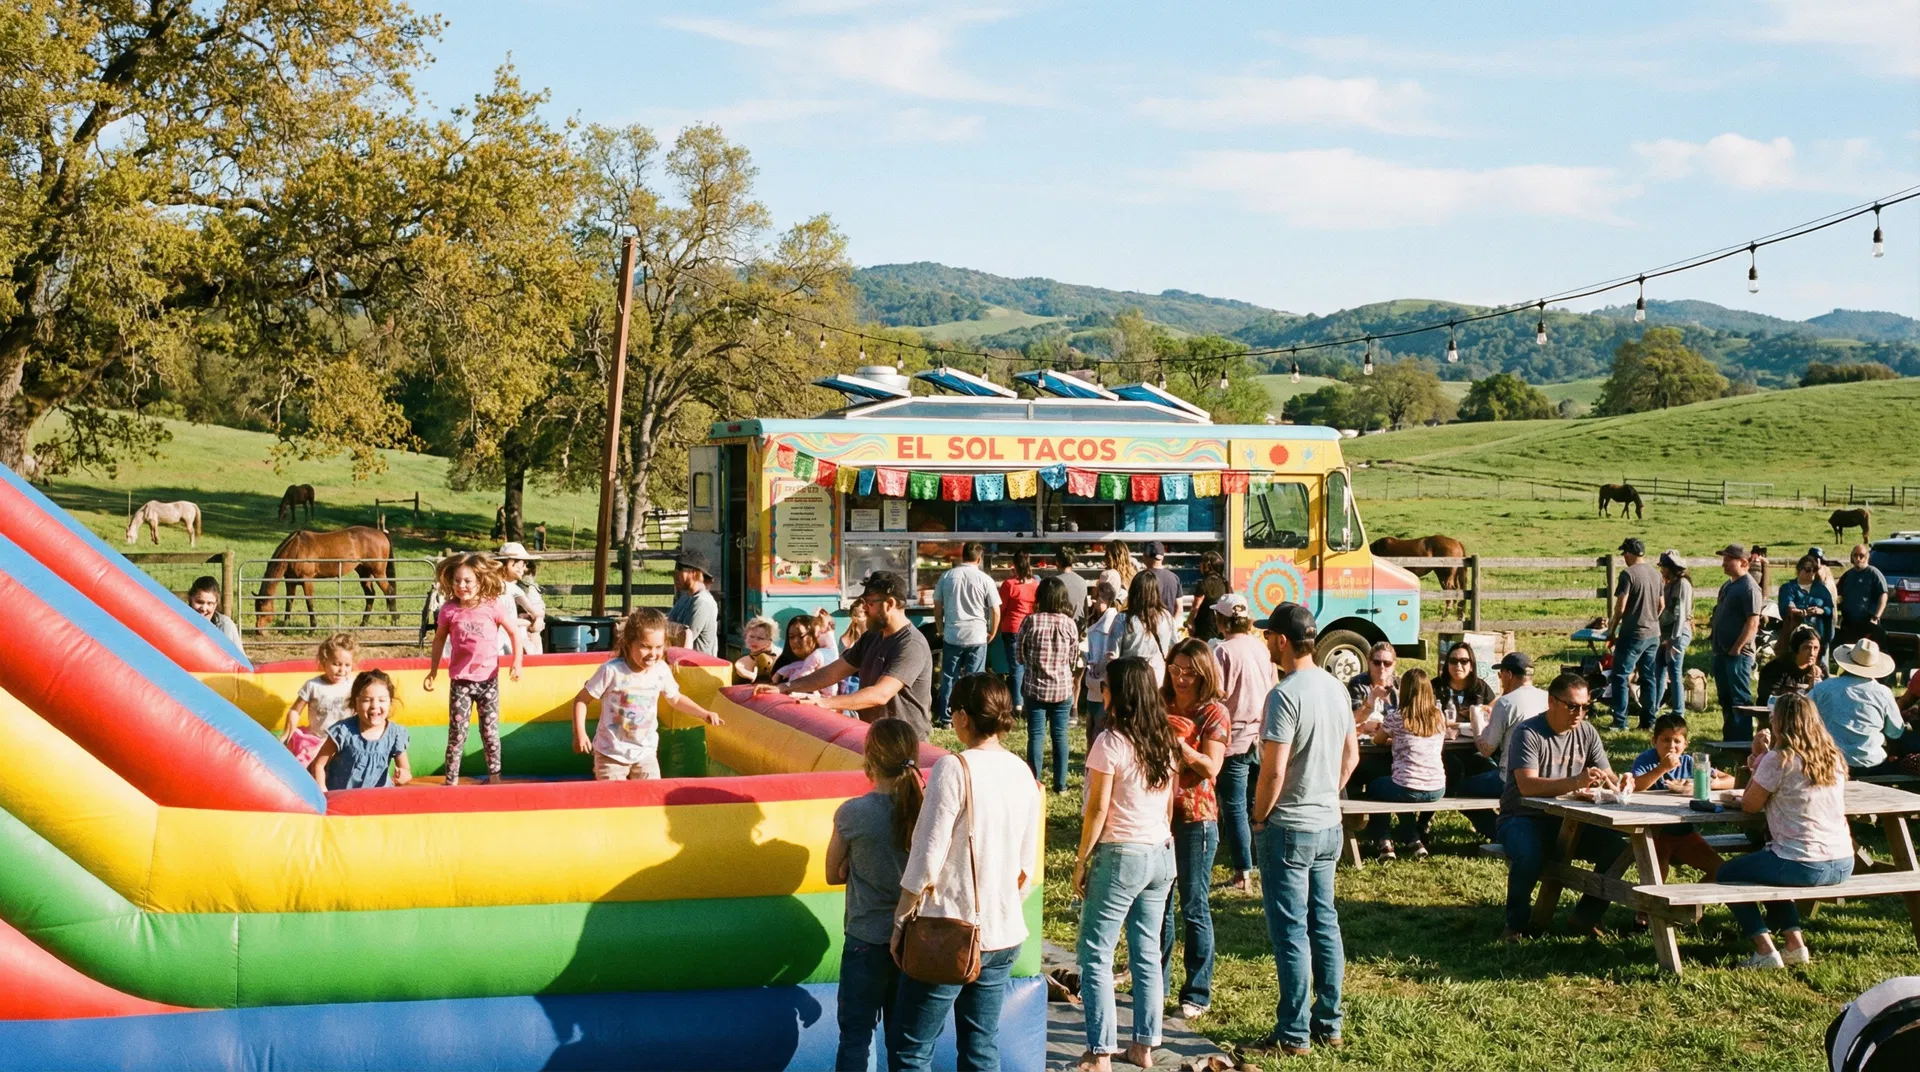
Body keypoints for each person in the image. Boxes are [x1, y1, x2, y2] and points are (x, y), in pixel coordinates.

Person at [892, 674, 1041, 1071]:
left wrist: (902, 917)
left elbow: (927, 853)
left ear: (961, 716)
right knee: (980, 1046)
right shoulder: (1022, 770)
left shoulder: (953, 768)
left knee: (911, 1047)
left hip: (949, 928)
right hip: (1003, 930)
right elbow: (1028, 864)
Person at [1245, 603, 1357, 1058]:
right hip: (1328, 823)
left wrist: (1257, 817)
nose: (1266, 643)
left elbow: (1271, 772)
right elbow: (1350, 757)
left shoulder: (1285, 694)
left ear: (1283, 641)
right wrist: (1326, 792)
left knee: (1291, 931)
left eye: (1269, 635)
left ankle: (1293, 1034)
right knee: (1324, 924)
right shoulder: (1337, 688)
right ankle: (1329, 1023)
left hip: (1288, 825)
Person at [1073, 658, 1180, 1071]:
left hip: (1121, 853)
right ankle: (1144, 1046)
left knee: (1096, 954)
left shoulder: (1110, 741)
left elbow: (1097, 809)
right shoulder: (1164, 738)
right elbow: (1169, 802)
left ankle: (1100, 1052)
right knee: (1146, 952)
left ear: (1118, 693)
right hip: (1160, 852)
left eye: (1106, 687)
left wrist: (1081, 860)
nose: (1101, 693)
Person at [1719, 693, 1856, 969]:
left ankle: (1764, 949)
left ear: (1782, 722)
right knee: (1770, 870)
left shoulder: (1779, 759)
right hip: (1843, 861)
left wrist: (1759, 757)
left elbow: (1749, 804)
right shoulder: (1833, 758)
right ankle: (1795, 945)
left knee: (1726, 874)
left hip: (1802, 861)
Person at [1495, 672, 1625, 941]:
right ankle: (1515, 924)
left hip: (1569, 820)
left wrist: (1622, 781)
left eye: (1586, 707)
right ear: (1552, 702)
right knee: (1529, 855)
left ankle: (1585, 916)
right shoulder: (1528, 732)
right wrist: (1575, 782)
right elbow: (1527, 786)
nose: (1580, 713)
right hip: (1522, 816)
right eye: (1573, 706)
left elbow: (1609, 775)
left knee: (1618, 850)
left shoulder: (1587, 732)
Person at [827, 719, 919, 1071]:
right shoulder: (922, 810)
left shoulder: (853, 813)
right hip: (912, 940)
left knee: (855, 1037)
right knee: (905, 1042)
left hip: (865, 939)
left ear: (869, 759)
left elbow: (831, 873)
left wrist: (853, 863)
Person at [763, 571, 935, 739]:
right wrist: (786, 687)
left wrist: (825, 703)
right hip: (876, 737)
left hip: (905, 742)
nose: (864, 608)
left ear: (889, 604)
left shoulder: (911, 645)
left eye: (869, 603)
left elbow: (880, 694)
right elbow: (831, 673)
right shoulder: (872, 637)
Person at [1160, 639, 1229, 1020]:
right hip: (1157, 816)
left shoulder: (1214, 713)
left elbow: (1211, 767)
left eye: (1189, 672)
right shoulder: (1160, 703)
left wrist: (1179, 746)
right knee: (1158, 904)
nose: (1181, 678)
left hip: (1196, 819)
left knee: (1194, 904)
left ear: (1204, 674)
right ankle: (1157, 981)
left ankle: (1197, 992)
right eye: (1175, 669)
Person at [572, 607, 723, 780]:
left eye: (659, 647)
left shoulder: (660, 670)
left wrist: (703, 713)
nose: (653, 654)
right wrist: (580, 734)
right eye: (645, 647)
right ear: (629, 643)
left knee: (650, 798)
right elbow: (581, 700)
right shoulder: (612, 671)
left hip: (645, 753)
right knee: (613, 801)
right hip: (611, 753)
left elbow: (676, 698)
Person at [423, 552, 522, 786]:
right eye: (457, 581)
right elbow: (438, 640)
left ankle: (495, 777)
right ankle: (451, 780)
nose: (461, 586)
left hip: (488, 681)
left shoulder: (492, 606)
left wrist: (517, 662)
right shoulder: (449, 610)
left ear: (480, 580)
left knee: (489, 732)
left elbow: (514, 632)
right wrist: (433, 670)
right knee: (457, 733)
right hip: (461, 681)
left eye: (467, 581)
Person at [1211, 593, 1274, 892]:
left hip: (1234, 738)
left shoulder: (1222, 651)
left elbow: (1216, 693)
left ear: (1222, 621)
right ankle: (1260, 862)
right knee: (1255, 803)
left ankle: (1242, 872)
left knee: (1234, 806)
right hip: (1261, 737)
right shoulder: (1262, 649)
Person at [1627, 714, 1737, 882]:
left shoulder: (1690, 762)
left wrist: (1703, 783)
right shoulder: (1647, 760)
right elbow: (1635, 786)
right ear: (1653, 741)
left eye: (1677, 741)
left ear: (1686, 744)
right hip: (1654, 833)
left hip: (1684, 833)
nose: (1671, 746)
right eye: (1665, 740)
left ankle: (1689, 906)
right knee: (1656, 875)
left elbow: (1731, 780)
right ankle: (1651, 908)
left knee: (1721, 870)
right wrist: (1662, 769)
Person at [1363, 668, 1449, 861]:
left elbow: (1377, 740)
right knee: (1402, 789)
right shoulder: (1439, 716)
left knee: (1376, 788)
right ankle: (1414, 840)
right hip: (1437, 787)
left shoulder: (1398, 717)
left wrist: (1393, 740)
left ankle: (1384, 841)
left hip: (1408, 786)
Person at [1462, 652, 1548, 838]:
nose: (1500, 679)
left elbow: (1486, 749)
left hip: (1509, 780)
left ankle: (1496, 830)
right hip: (1546, 776)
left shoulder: (1506, 702)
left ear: (1509, 674)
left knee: (1458, 788)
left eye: (1500, 675)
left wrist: (1476, 721)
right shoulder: (1548, 698)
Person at [1809, 638, 1905, 778]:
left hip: (1829, 760)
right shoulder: (1883, 692)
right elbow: (1895, 731)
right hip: (1871, 762)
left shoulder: (1823, 688)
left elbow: (1801, 715)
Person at [1019, 575, 1079, 792]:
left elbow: (1020, 655)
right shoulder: (1069, 624)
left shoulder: (1030, 621)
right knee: (1060, 735)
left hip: (1035, 687)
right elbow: (1073, 659)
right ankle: (1060, 784)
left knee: (1036, 735)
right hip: (1062, 688)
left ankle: (1034, 781)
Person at [933, 541, 1000, 730]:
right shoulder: (985, 579)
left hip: (953, 634)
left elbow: (937, 605)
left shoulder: (947, 576)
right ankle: (973, 716)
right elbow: (995, 610)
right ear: (979, 559)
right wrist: (993, 631)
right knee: (975, 678)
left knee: (949, 677)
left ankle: (947, 718)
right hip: (977, 634)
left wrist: (940, 627)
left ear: (962, 556)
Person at [309, 669, 411, 791]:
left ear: (390, 702)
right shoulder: (343, 731)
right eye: (366, 700)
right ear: (355, 702)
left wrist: (404, 776)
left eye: (382, 700)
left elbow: (405, 769)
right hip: (342, 797)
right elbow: (319, 764)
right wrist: (323, 790)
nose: (375, 706)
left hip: (378, 799)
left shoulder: (395, 734)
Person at [1710, 543, 1766, 741]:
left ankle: (1742, 742)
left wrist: (1737, 648)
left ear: (1743, 562)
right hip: (1721, 652)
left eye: (1728, 559)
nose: (1723, 563)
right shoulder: (1728, 585)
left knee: (1739, 700)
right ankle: (1729, 739)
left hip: (1738, 655)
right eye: (1723, 559)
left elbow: (1753, 622)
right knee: (1725, 698)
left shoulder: (1749, 588)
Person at [1608, 537, 1664, 731]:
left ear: (1630, 553)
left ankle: (1620, 721)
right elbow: (1661, 605)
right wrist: (1651, 619)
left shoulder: (1628, 574)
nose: (1623, 557)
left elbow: (1620, 606)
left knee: (1620, 676)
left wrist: (1612, 628)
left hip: (1633, 633)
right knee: (1649, 677)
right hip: (1653, 634)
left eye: (1624, 553)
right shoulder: (1656, 574)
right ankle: (1649, 721)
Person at [282, 633, 357, 741]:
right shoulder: (313, 686)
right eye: (336, 664)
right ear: (324, 661)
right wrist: (289, 732)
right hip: (317, 740)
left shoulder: (353, 685)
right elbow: (295, 711)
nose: (342, 670)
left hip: (344, 741)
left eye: (347, 665)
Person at [1111, 569, 1176, 684]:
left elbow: (1112, 654)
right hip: (1159, 680)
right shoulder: (1166, 616)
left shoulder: (1123, 619)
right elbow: (1173, 648)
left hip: (1130, 681)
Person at [1650, 550, 1694, 717]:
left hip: (1677, 634)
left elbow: (1680, 614)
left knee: (1675, 672)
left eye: (1663, 567)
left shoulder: (1682, 585)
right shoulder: (1670, 583)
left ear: (1670, 567)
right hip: (1665, 635)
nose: (1661, 570)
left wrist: (1673, 640)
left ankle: (1678, 711)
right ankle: (1653, 709)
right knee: (1658, 671)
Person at [997, 549, 1040, 711]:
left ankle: (1018, 703)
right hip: (1030, 629)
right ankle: (1029, 699)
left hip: (1012, 628)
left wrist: (996, 626)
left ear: (1014, 565)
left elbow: (1001, 608)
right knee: (1030, 666)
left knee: (1016, 668)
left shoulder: (1009, 584)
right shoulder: (1036, 584)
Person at [1082, 581, 1124, 740]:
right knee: (1091, 726)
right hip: (1095, 682)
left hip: (1102, 680)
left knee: (1099, 729)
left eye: (1097, 599)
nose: (1094, 603)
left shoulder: (1110, 623)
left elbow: (1107, 654)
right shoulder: (1097, 620)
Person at [494, 542, 546, 656]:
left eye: (525, 563)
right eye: (522, 563)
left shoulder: (524, 587)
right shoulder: (491, 588)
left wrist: (536, 619)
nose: (524, 567)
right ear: (510, 563)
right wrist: (526, 622)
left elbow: (537, 610)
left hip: (522, 636)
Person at [773, 613, 843, 696]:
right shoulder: (781, 666)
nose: (795, 641)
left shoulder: (826, 661)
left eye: (801, 636)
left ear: (814, 635)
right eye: (791, 637)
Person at [1780, 554, 1837, 654]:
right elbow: (1787, 603)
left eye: (1814, 570)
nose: (1811, 573)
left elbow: (1830, 607)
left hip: (1819, 636)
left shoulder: (1821, 588)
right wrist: (1800, 612)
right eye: (1808, 569)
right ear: (1799, 569)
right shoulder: (1788, 587)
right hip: (1796, 636)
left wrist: (1821, 611)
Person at [666, 548, 719, 655]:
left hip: (699, 668)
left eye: (680, 569)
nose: (676, 575)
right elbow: (667, 624)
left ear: (695, 573)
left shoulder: (702, 603)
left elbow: (683, 639)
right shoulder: (685, 598)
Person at [1835, 543, 1889, 646]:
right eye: (1855, 555)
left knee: (1865, 652)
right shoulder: (1847, 575)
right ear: (1851, 557)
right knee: (1848, 651)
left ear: (1867, 557)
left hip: (1868, 621)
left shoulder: (1874, 573)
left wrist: (1876, 617)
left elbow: (1883, 595)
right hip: (1849, 621)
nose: (1858, 558)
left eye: (1862, 555)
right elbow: (1837, 593)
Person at [1758, 625, 1825, 701]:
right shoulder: (1776, 668)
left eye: (1816, 648)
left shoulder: (1820, 668)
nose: (1812, 653)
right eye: (1806, 648)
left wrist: (1816, 685)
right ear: (1796, 648)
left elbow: (1828, 697)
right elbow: (1769, 699)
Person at [1436, 641, 1496, 721]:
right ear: (1447, 664)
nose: (1458, 666)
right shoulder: (1435, 686)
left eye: (1464, 661)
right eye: (1453, 661)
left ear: (1471, 666)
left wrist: (1487, 710)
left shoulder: (1480, 686)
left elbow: (1494, 707)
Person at [186, 575, 245, 654]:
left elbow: (240, 662)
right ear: (190, 599)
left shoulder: (225, 626)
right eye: (199, 602)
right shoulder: (178, 622)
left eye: (210, 603)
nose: (204, 608)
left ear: (215, 604)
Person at [1185, 550, 1230, 643]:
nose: (1199, 566)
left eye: (1201, 563)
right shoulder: (1225, 583)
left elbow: (1195, 607)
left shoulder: (1203, 583)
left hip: (1204, 625)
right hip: (1221, 625)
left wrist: (1190, 622)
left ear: (1207, 566)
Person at [1139, 541, 1183, 621]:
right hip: (1166, 628)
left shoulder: (1140, 577)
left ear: (1145, 556)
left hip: (1145, 627)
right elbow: (1179, 609)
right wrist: (1171, 626)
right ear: (1162, 557)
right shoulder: (1174, 578)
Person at [1044, 544, 1089, 620]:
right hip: (1078, 625)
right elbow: (1085, 608)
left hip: (1059, 625)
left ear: (1057, 562)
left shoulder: (1052, 583)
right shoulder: (1082, 581)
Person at [733, 616, 780, 685]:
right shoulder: (745, 658)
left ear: (770, 640)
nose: (754, 641)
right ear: (746, 636)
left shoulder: (776, 657)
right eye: (751, 636)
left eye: (760, 638)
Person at [1098, 540, 1138, 609]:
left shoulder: (1109, 575)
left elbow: (1103, 603)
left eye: (1106, 554)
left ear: (1110, 557)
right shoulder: (1134, 572)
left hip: (1114, 615)